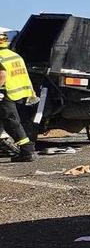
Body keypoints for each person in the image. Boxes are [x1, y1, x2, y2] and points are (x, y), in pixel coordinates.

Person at [0, 28, 38, 162]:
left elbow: (2, 75)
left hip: (6, 92)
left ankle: (27, 151)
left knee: (11, 122)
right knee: (15, 121)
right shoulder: (14, 55)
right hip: (20, 92)